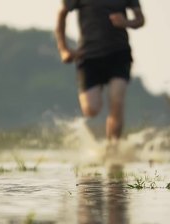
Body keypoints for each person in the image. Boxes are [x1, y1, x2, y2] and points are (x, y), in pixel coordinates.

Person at [55, 0, 145, 145]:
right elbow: (61, 15)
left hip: (119, 54)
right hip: (89, 57)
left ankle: (112, 148)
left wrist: (126, 22)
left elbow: (140, 19)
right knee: (91, 109)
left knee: (117, 102)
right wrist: (63, 49)